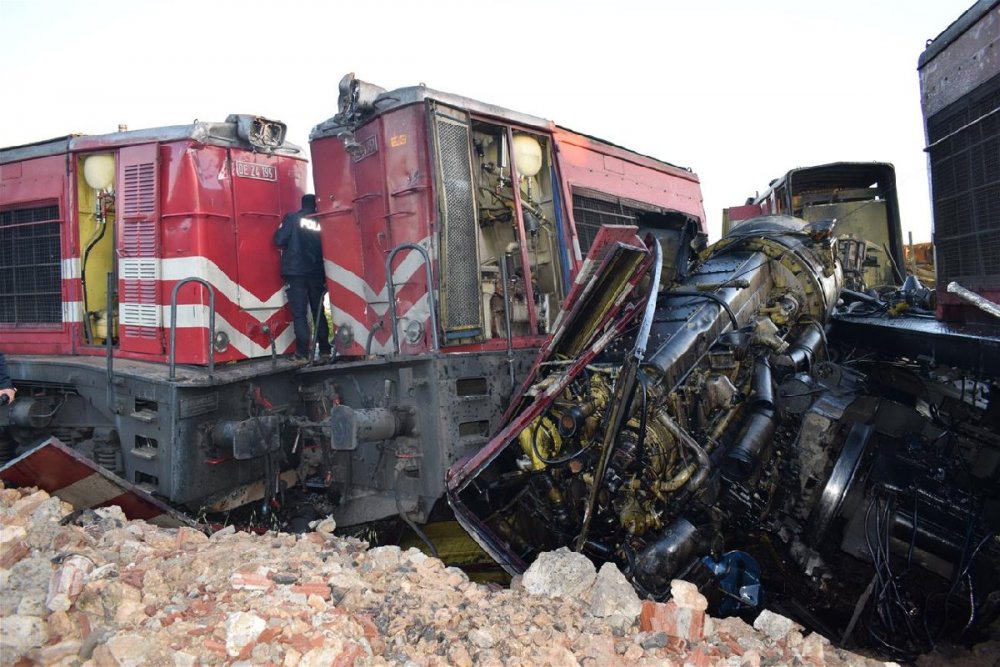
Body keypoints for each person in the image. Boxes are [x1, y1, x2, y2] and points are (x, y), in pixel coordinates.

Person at [274, 194, 331, 360]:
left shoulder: (292, 218)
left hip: (296, 272)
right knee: (317, 311)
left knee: (299, 314)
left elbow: (279, 239)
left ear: (302, 203)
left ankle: (302, 352)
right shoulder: (321, 221)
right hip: (317, 273)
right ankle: (325, 350)